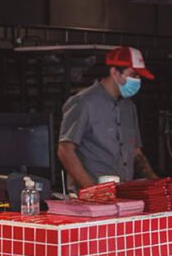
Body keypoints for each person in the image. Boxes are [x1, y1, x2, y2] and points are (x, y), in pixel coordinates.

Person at [58, 46, 160, 189]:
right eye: (134, 75)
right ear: (115, 73)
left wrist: (156, 183)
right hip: (90, 192)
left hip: (122, 190)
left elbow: (136, 152)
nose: (138, 81)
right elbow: (65, 149)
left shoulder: (129, 106)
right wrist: (91, 190)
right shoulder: (84, 102)